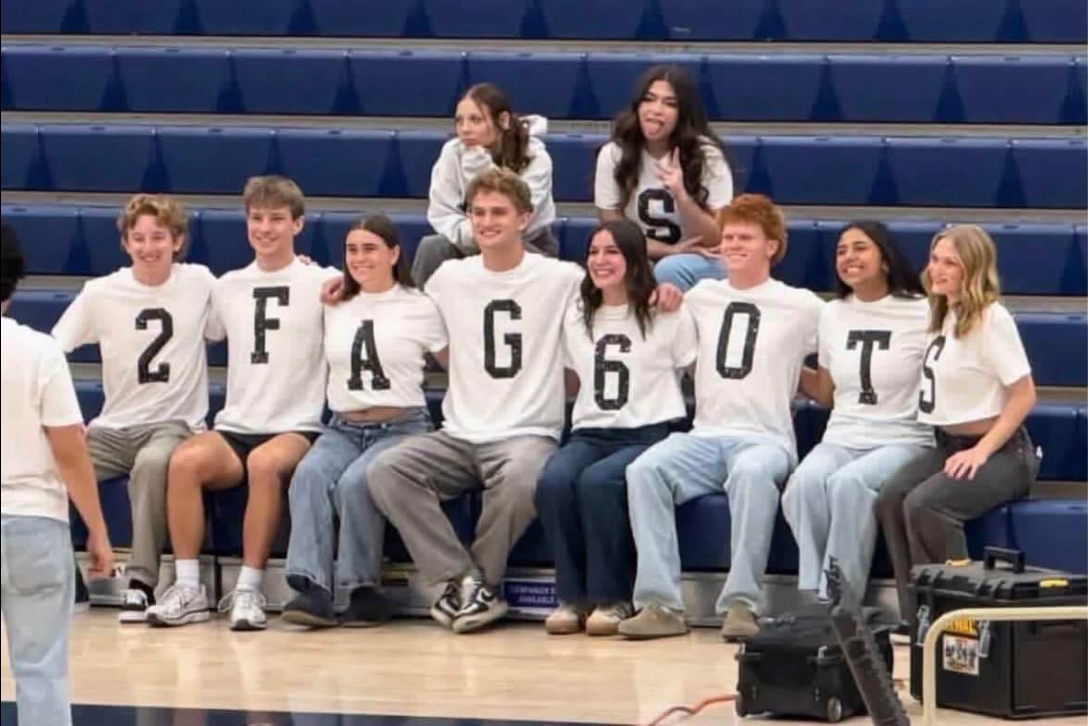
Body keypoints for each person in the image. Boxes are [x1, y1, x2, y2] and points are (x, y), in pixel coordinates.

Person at [366, 167, 583, 634]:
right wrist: (339, 287)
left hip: (527, 432)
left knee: (524, 479)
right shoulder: (448, 277)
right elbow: (401, 311)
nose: (486, 222)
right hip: (460, 432)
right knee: (386, 470)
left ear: (524, 218)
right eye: (478, 212)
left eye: (498, 212)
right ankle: (462, 580)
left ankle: (479, 584)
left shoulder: (562, 278)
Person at [619, 194, 823, 642]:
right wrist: (667, 296)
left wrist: (797, 374)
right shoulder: (701, 297)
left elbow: (833, 363)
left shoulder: (803, 304)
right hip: (705, 434)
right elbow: (675, 346)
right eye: (728, 237)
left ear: (772, 246)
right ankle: (660, 604)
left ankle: (741, 604)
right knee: (644, 470)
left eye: (745, 237)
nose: (733, 245)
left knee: (752, 474)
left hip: (766, 438)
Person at [145, 176, 339, 631]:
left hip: (296, 425)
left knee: (265, 465)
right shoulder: (227, 285)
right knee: (184, 461)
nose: (265, 228)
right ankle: (189, 589)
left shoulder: (323, 280)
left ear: (297, 224)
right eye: (256, 218)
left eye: (276, 219)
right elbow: (203, 328)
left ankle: (249, 589)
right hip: (237, 424)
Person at [51, 194, 215, 623]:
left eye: (158, 237)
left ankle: (141, 584)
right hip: (113, 426)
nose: (148, 247)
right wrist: (67, 419)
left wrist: (302, 267)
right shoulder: (100, 292)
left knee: (152, 464)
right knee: (47, 466)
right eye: (138, 238)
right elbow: (52, 351)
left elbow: (248, 301)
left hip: (173, 424)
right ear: (125, 243)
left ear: (177, 241)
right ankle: (61, 574)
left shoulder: (199, 282)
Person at [282, 215, 445, 629]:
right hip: (342, 427)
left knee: (357, 483)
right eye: (352, 250)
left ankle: (361, 589)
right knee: (309, 475)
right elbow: (293, 278)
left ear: (394, 253)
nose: (359, 258)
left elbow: (455, 363)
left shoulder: (419, 305)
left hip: (402, 426)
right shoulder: (333, 301)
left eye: (370, 248)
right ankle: (312, 588)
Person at [535, 219, 696, 636]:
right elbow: (573, 377)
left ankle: (613, 598)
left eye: (612, 252)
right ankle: (572, 598)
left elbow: (695, 369)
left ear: (634, 259)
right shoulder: (576, 315)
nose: (600, 260)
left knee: (599, 483)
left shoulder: (665, 311)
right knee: (554, 481)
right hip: (590, 431)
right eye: (593, 252)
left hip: (648, 431)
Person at [875, 224, 1038, 628]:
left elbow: (1024, 395)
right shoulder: (942, 312)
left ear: (974, 269)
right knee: (891, 497)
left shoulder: (990, 318)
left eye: (951, 262)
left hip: (1002, 452)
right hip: (950, 444)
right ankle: (919, 615)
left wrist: (981, 451)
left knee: (926, 504)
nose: (937, 269)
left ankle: (959, 619)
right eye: (935, 259)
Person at [2, 222, 115, 726]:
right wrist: (98, 530)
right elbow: (70, 451)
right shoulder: (40, 350)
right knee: (42, 674)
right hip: (36, 525)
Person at [784, 222, 932, 605]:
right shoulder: (832, 313)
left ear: (885, 259)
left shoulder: (923, 311)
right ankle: (821, 594)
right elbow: (826, 393)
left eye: (860, 247)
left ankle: (841, 601)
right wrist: (779, 361)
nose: (848, 256)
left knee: (848, 485)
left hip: (904, 438)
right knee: (803, 486)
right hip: (843, 436)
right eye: (841, 250)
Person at [594, 64, 733, 291]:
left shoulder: (708, 155)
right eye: (649, 100)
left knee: (669, 270)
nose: (656, 110)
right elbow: (613, 229)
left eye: (669, 104)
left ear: (682, 114)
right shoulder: (614, 153)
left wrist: (681, 196)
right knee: (618, 265)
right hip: (641, 252)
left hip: (702, 256)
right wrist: (669, 250)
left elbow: (715, 239)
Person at [412, 83, 557, 288]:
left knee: (534, 266)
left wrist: (481, 168)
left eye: (475, 120)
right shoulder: (452, 152)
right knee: (432, 248)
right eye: (459, 121)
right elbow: (442, 212)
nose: (465, 129)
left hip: (525, 242)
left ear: (503, 120)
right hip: (467, 240)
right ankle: (417, 308)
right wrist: (479, 234)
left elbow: (522, 218)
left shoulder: (536, 157)